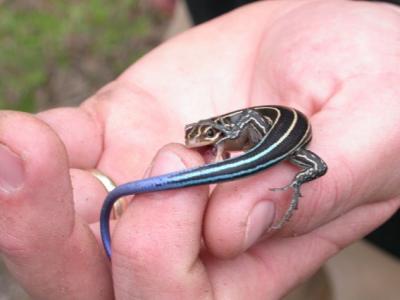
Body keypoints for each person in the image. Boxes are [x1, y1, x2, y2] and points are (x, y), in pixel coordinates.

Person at [0, 0, 399, 299]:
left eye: (207, 135)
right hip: (219, 26)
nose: (202, 141)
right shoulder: (239, 121)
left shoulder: (251, 126)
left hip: (378, 233)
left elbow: (270, 140)